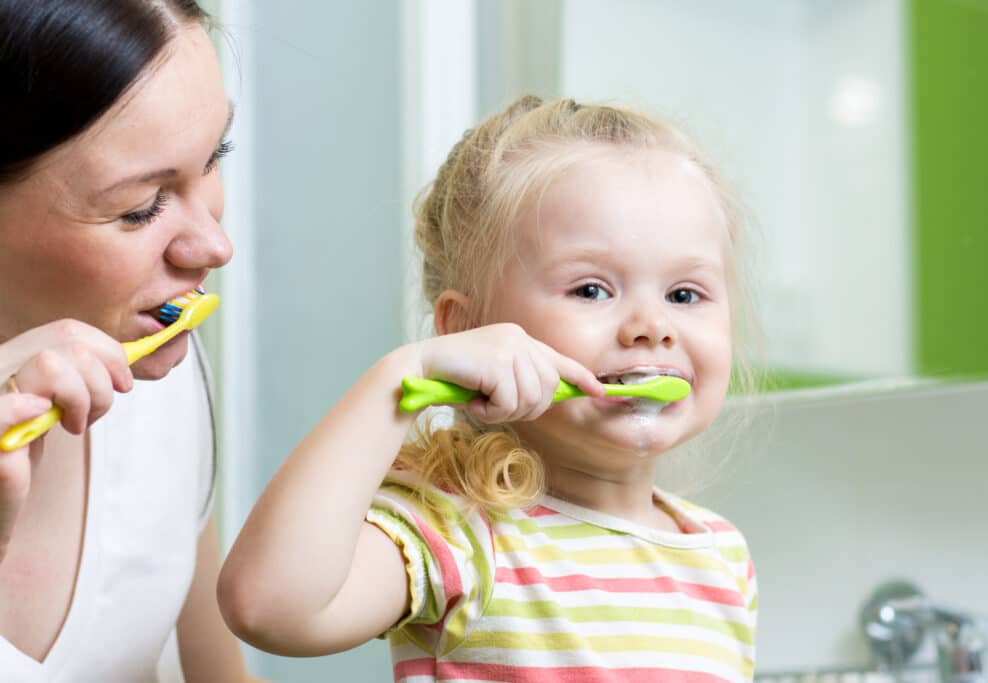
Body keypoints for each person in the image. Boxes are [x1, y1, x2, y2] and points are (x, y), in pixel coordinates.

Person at [219, 96, 759, 682]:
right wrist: (400, 378)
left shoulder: (721, 557)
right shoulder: (459, 532)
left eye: (685, 295)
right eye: (591, 290)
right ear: (470, 332)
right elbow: (268, 608)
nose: (652, 327)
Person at [0, 1, 262, 681]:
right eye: (141, 206)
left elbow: (218, 669)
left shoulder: (159, 371)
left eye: (215, 157)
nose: (215, 245)